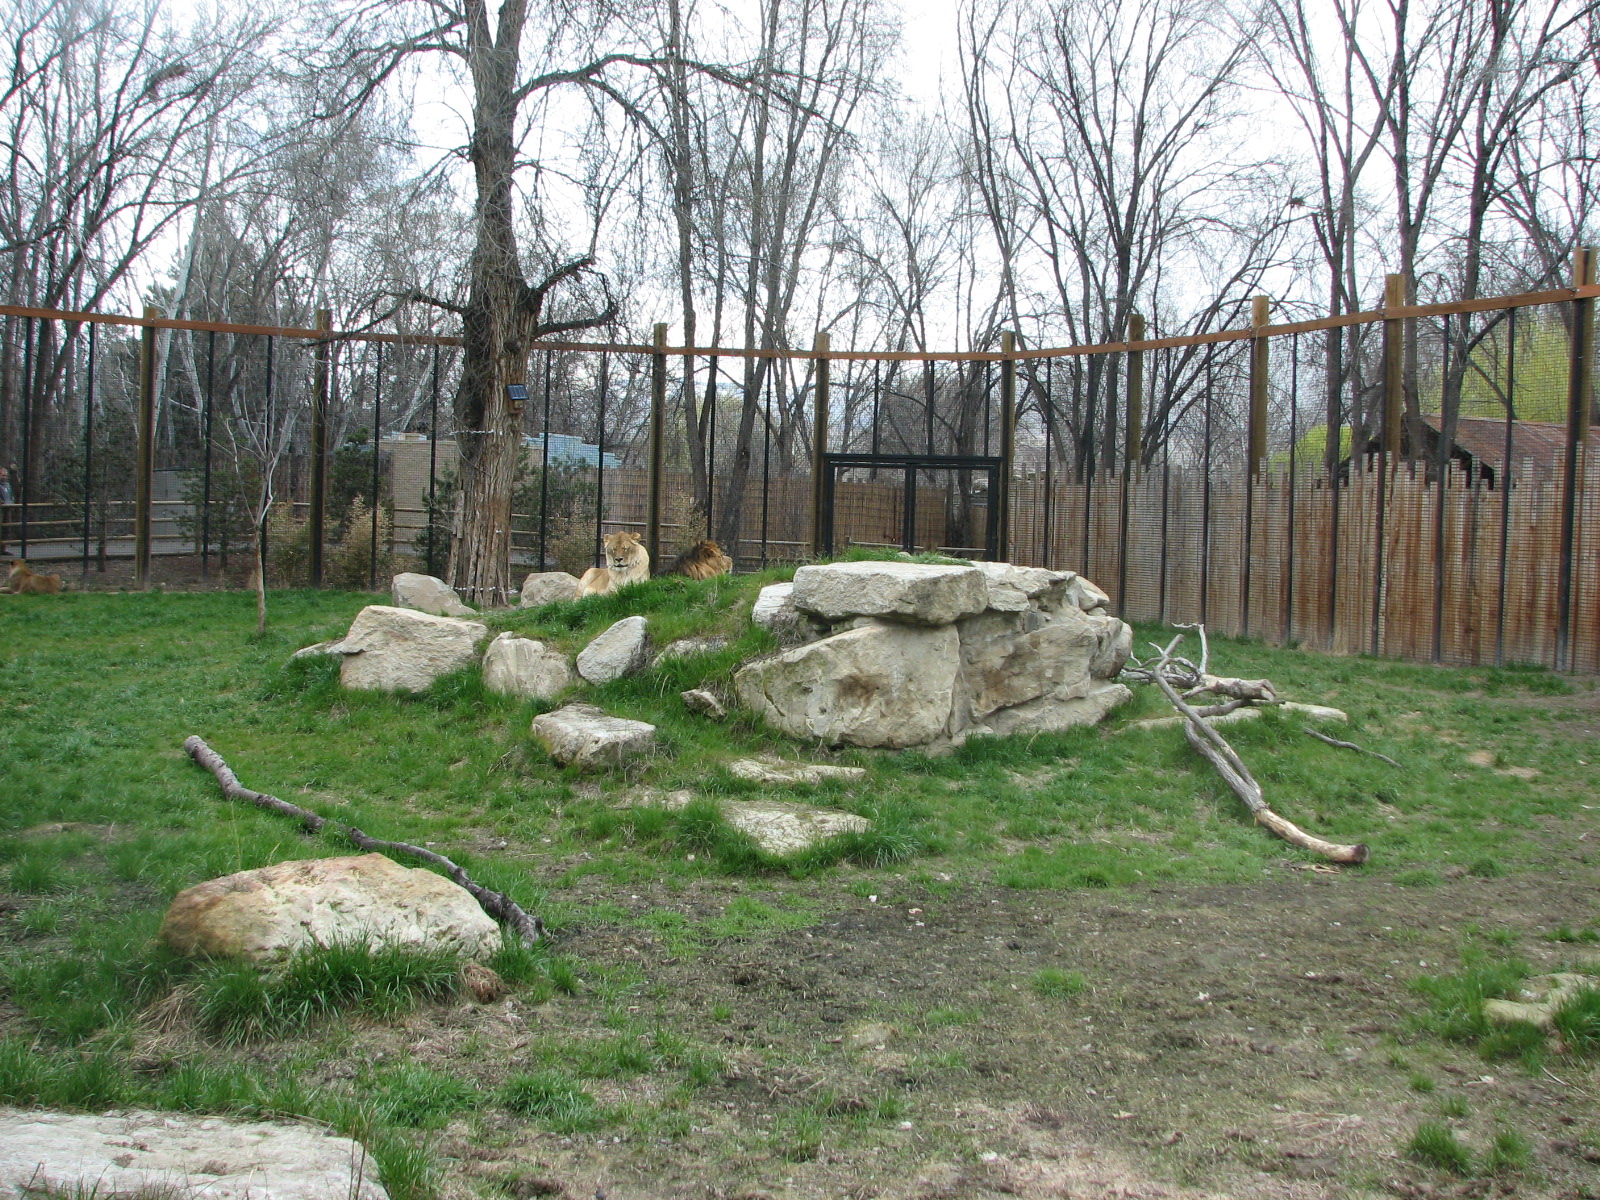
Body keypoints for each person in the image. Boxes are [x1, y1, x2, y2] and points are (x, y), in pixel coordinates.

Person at [0, 465, 13, 555]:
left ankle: (3, 549)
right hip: (1, 509)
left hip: (8, 508)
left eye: (5, 475)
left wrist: (12, 502)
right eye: (2, 475)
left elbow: (11, 496)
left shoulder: (8, 485)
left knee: (7, 528)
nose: (4, 477)